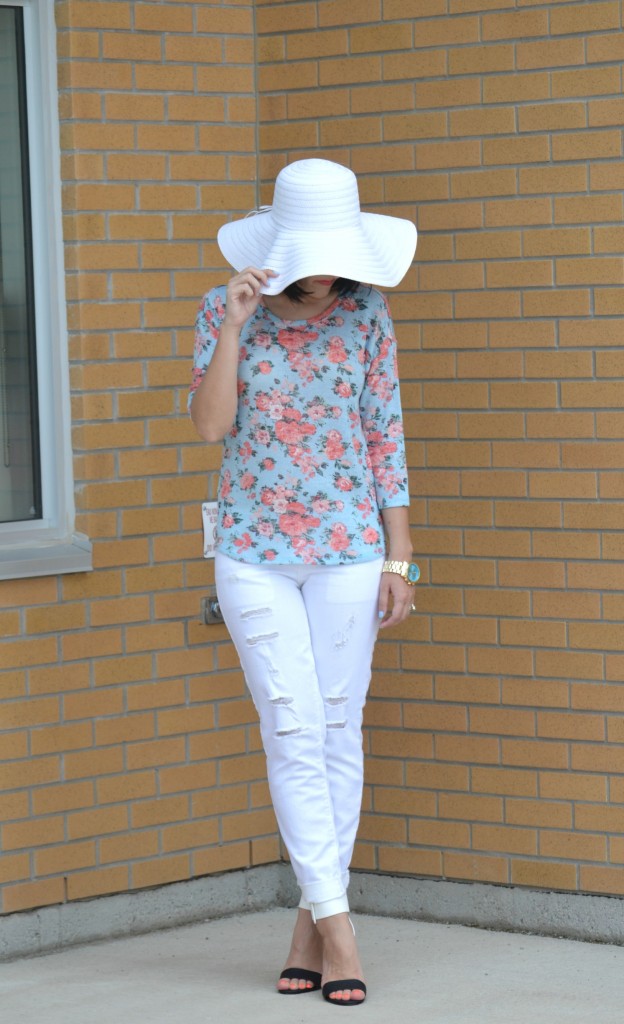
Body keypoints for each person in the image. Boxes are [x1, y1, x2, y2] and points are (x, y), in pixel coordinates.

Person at [189, 159, 419, 1006]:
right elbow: (211, 426)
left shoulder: (367, 313)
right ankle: (343, 931)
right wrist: (233, 329)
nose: (324, 272)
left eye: (335, 253)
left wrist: (400, 559)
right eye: (310, 253)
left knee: (335, 727)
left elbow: (383, 436)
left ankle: (309, 923)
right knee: (290, 724)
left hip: (352, 552)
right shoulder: (226, 307)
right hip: (253, 552)